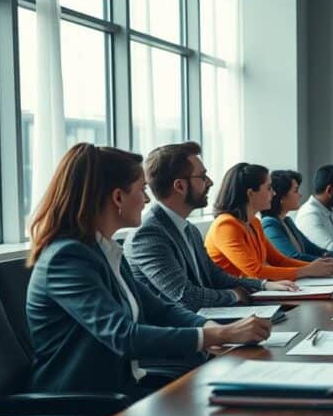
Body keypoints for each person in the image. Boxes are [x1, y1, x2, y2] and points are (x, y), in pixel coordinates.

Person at [25, 144, 272, 396]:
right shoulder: (67, 258)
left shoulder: (106, 250)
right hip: (83, 401)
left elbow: (159, 308)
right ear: (118, 197)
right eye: (142, 189)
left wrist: (207, 326)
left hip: (123, 385)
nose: (146, 199)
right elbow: (123, 335)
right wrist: (219, 334)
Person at [125, 142, 298, 311]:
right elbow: (185, 295)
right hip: (181, 330)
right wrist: (234, 295)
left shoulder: (188, 229)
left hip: (206, 319)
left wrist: (264, 285)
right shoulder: (148, 234)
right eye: (202, 176)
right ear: (180, 186)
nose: (210, 182)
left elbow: (217, 276)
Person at [204, 163, 333, 280]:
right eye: (269, 188)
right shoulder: (226, 225)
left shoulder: (254, 223)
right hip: (231, 300)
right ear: (250, 194)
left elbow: (278, 260)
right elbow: (256, 271)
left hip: (250, 292)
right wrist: (307, 270)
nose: (273, 193)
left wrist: (317, 267)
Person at [261, 169, 333, 262]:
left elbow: (311, 248)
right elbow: (293, 257)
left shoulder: (287, 221)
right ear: (282, 196)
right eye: (296, 191)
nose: (300, 195)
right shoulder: (269, 224)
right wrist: (328, 261)